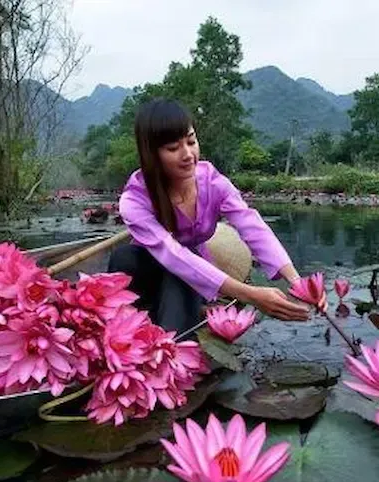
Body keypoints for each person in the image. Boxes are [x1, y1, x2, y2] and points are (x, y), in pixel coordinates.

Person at [108, 98, 310, 334]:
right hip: (148, 269)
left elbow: (252, 226)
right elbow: (173, 255)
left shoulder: (213, 182)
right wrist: (251, 295)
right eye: (173, 148)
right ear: (152, 154)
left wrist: (298, 283)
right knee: (125, 257)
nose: (188, 154)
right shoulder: (134, 200)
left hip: (193, 272)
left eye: (191, 141)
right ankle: (135, 324)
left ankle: (169, 341)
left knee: (180, 279)